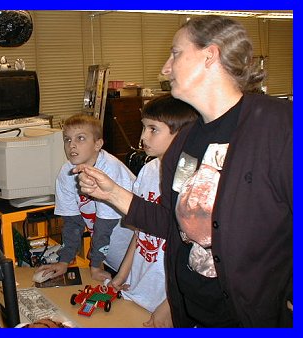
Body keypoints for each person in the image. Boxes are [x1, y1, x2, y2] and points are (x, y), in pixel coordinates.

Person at [75, 15, 292, 327]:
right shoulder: (185, 141)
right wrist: (112, 193)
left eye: (175, 53)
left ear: (210, 55)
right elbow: (172, 222)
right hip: (192, 311)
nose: (165, 67)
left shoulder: (279, 126)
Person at [110, 94, 198, 328]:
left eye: (153, 130)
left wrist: (170, 303)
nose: (142, 137)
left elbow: (196, 256)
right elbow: (140, 231)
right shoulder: (148, 170)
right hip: (138, 283)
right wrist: (121, 274)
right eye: (143, 128)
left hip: (167, 296)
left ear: (180, 134)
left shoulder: (193, 180)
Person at [35, 114, 135, 282]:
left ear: (98, 144)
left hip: (136, 254)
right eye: (67, 140)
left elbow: (105, 226)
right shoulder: (66, 173)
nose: (72, 145)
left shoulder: (110, 169)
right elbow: (73, 223)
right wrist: (64, 261)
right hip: (110, 255)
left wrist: (95, 265)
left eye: (80, 138)